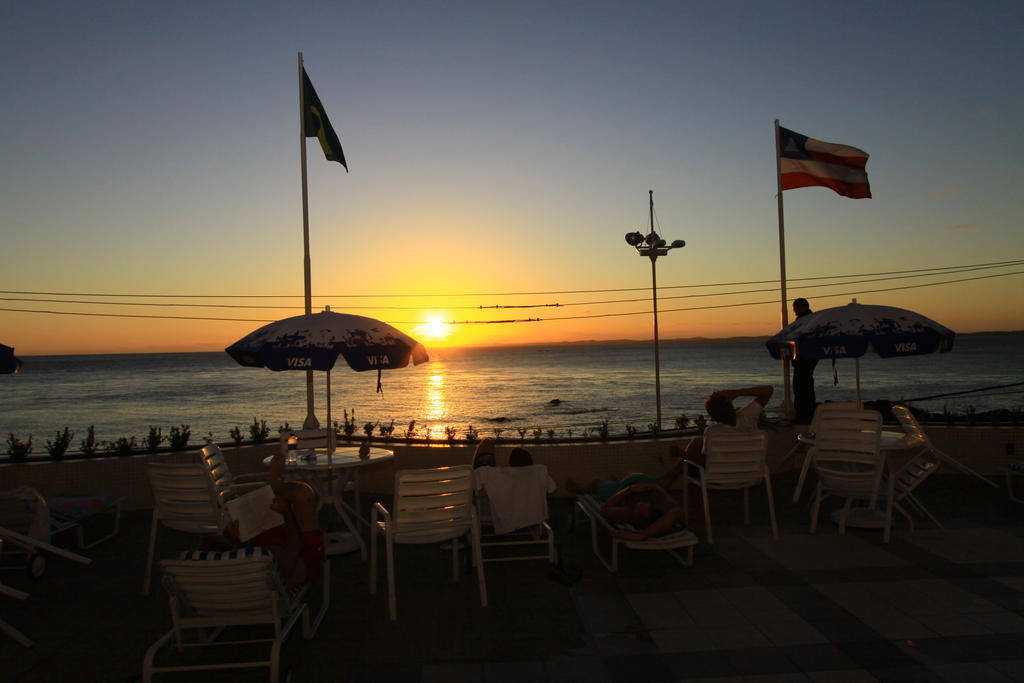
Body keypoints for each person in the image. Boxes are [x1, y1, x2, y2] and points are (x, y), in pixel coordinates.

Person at [203, 450, 325, 587]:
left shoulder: (236, 566)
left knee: (288, 497)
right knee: (302, 493)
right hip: (301, 554)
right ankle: (275, 486)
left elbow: (212, 542)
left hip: (259, 545)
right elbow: (295, 547)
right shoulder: (263, 558)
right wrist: (287, 514)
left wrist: (236, 541)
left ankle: (274, 487)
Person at [791, 298, 818, 424]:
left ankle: (804, 415)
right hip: (806, 358)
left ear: (802, 307)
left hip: (805, 358)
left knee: (802, 386)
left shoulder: (806, 320)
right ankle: (805, 414)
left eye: (795, 307)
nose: (793, 310)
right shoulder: (807, 319)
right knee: (803, 385)